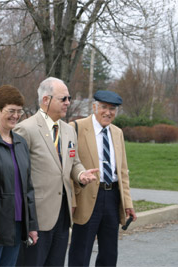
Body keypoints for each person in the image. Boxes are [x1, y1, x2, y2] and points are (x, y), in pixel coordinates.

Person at [14, 77, 98, 266]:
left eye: (68, 98)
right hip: (37, 217)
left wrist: (80, 174)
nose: (68, 102)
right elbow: (18, 176)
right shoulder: (25, 129)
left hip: (62, 216)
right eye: (64, 99)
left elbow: (74, 162)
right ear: (46, 100)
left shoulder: (68, 130)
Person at [68, 90, 137, 267]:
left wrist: (127, 203)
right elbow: (68, 168)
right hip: (87, 195)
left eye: (112, 109)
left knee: (109, 252)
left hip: (112, 197)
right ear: (94, 107)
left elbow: (122, 172)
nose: (108, 112)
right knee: (80, 251)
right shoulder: (76, 127)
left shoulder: (117, 132)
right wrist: (72, 201)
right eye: (104, 107)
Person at [0, 85, 39, 266]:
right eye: (11, 110)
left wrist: (31, 225)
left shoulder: (21, 142)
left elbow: (28, 188)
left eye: (19, 111)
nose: (15, 116)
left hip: (17, 225)